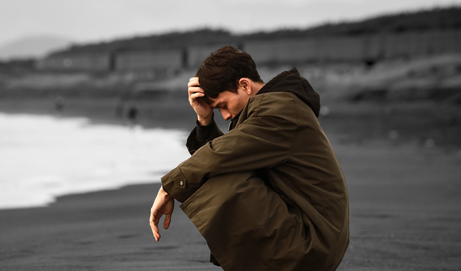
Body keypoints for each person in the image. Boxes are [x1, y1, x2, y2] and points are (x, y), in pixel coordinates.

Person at [149, 46, 349, 271]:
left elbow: (221, 155)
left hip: (311, 243)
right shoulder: (272, 106)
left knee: (216, 174)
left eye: (223, 106)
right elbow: (226, 154)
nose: (224, 116)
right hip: (311, 233)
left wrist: (169, 188)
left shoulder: (278, 110)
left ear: (244, 85)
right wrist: (204, 119)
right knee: (214, 168)